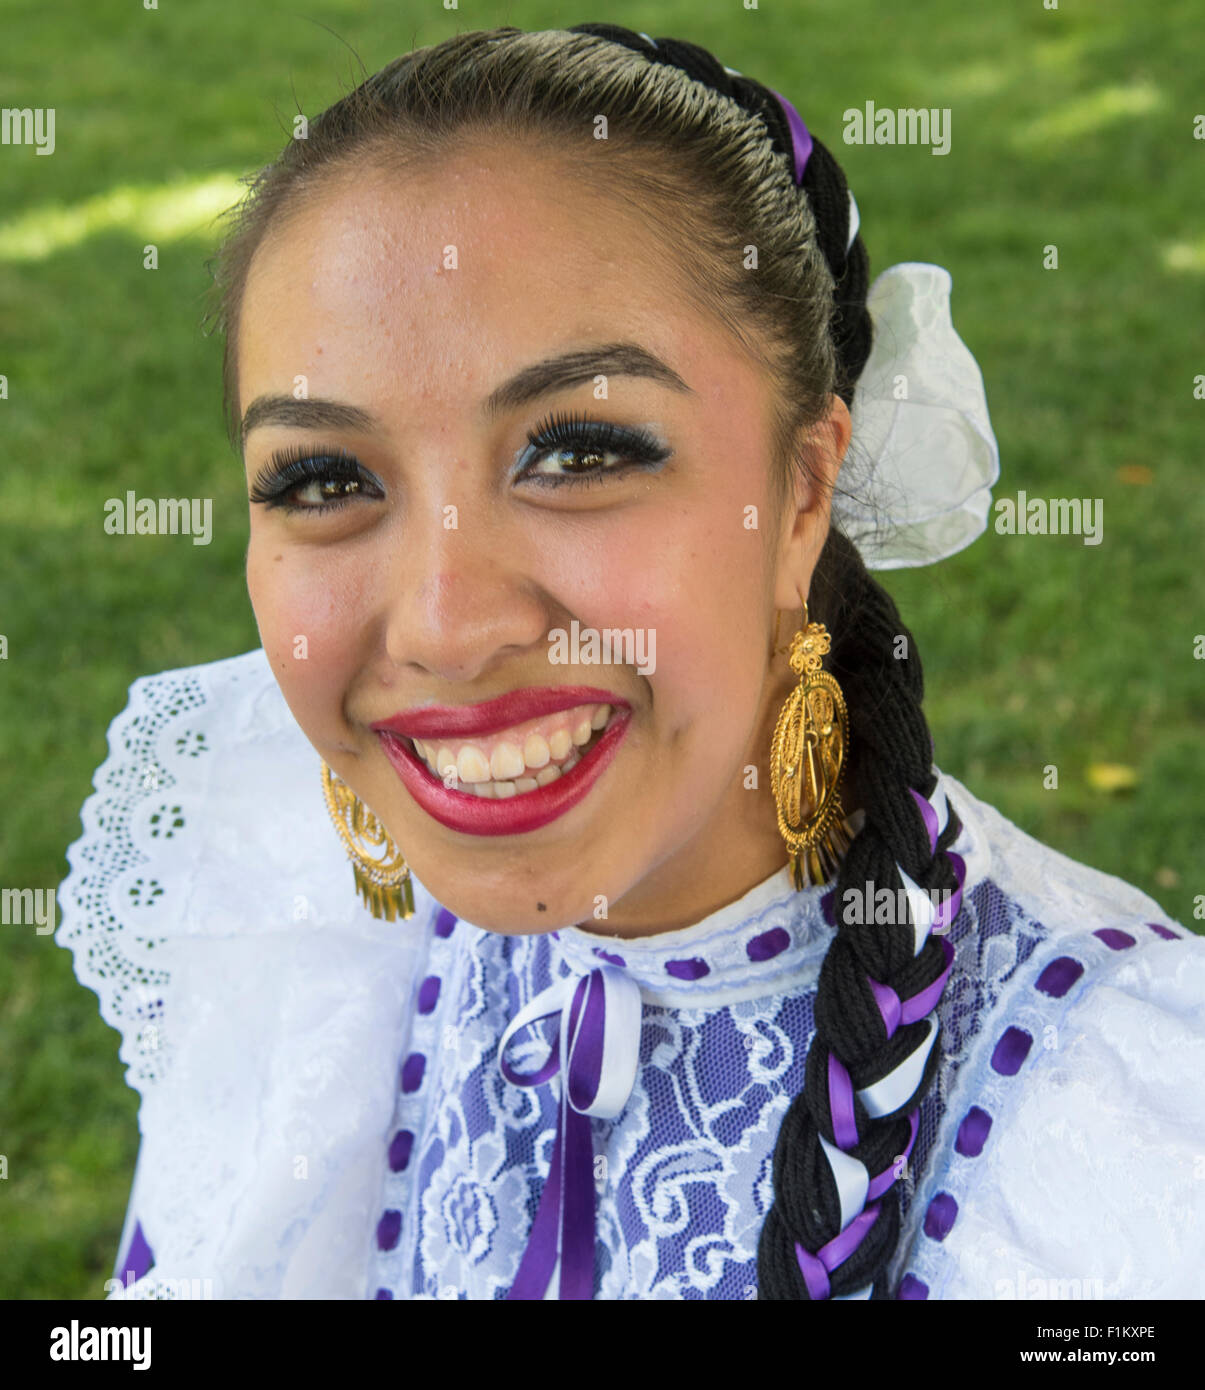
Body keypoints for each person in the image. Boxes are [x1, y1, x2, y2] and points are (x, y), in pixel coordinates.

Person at [57, 23, 1204, 1301]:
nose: (445, 622)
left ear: (804, 488)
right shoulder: (297, 938)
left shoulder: (1131, 1156)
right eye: (324, 477)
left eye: (580, 452)